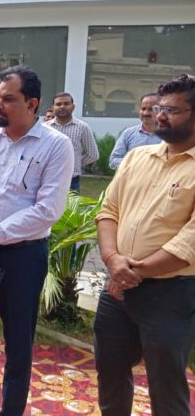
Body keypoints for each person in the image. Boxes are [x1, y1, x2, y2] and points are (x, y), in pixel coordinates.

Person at [0, 65, 74, 416]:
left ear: (32, 103)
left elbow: (47, 210)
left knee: (18, 346)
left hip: (22, 260)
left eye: (8, 99)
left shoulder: (56, 146)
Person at [93, 73, 195, 416]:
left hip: (170, 293)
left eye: (172, 110)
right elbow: (108, 210)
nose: (160, 115)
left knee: (166, 385)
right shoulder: (138, 157)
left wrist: (133, 272)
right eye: (159, 107)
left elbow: (190, 242)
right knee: (109, 371)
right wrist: (112, 260)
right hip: (117, 289)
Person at [45, 92, 99, 192]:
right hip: (47, 178)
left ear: (73, 107)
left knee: (70, 208)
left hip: (71, 180)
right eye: (58, 104)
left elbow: (93, 154)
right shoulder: (45, 128)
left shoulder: (82, 127)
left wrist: (74, 163)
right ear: (53, 107)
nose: (62, 107)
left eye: (66, 104)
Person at [108, 93, 162, 169]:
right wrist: (136, 164)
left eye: (150, 109)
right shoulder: (128, 134)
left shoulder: (169, 136)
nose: (145, 113)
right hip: (132, 179)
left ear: (160, 111)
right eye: (143, 109)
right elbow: (114, 160)